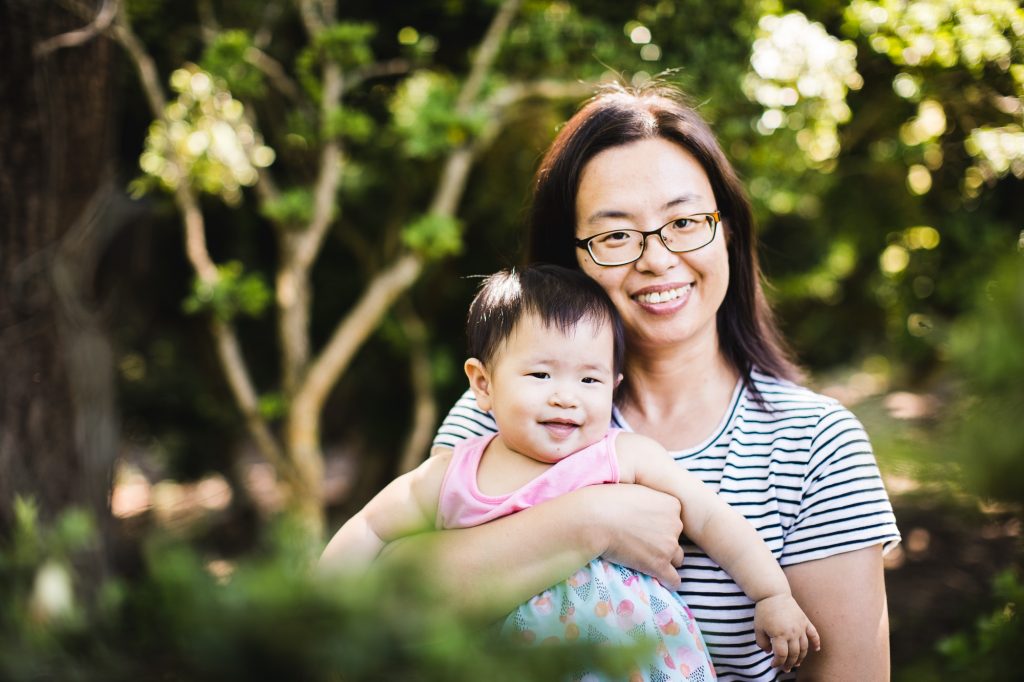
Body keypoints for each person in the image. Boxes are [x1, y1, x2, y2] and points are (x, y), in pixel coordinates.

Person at [421, 83, 901, 681]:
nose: (657, 258)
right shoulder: (507, 414)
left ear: (727, 230)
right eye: (615, 234)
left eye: (685, 221)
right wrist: (591, 522)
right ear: (570, 259)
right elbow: (389, 601)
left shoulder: (814, 445)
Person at [320, 265, 820, 679]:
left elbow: (712, 518)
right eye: (540, 374)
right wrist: (318, 608)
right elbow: (370, 527)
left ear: (613, 386)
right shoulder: (455, 472)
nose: (566, 395)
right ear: (483, 383)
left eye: (589, 378)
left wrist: (770, 594)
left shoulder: (623, 456)